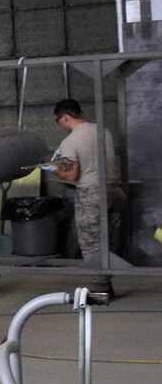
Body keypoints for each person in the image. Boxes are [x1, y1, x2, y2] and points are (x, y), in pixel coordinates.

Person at [50, 99, 120, 297]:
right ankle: (107, 282)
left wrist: (56, 170)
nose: (60, 125)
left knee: (91, 242)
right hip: (114, 191)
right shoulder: (103, 131)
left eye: (58, 121)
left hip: (92, 195)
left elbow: (72, 175)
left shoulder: (70, 141)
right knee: (108, 239)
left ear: (65, 117)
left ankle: (101, 289)